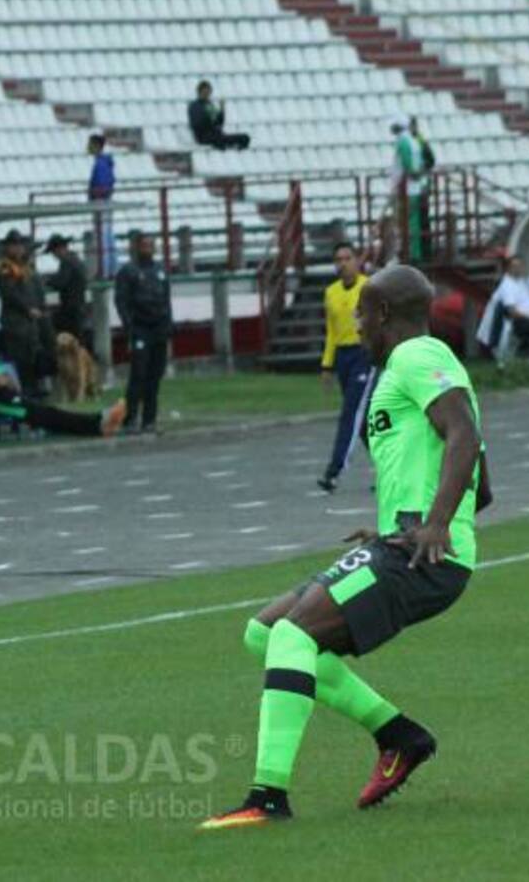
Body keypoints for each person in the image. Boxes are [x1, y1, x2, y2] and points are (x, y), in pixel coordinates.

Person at [201, 265, 490, 830]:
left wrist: (434, 528)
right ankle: (399, 735)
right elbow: (480, 477)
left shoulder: (416, 357)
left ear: (382, 314)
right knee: (264, 632)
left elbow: (466, 435)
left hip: (423, 557)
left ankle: (267, 798)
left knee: (292, 634)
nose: (354, 323)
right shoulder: (405, 368)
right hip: (406, 546)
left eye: (360, 312)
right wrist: (404, 522)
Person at [0, 331, 125, 438]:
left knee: (50, 414)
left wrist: (0, 378)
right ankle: (98, 423)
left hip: (11, 398)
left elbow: (8, 381)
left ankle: (98, 423)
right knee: (48, 416)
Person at [317, 243, 372, 493]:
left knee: (351, 412)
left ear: (357, 260)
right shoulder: (331, 292)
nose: (343, 263)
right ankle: (391, 467)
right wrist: (327, 365)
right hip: (343, 357)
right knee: (362, 423)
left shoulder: (369, 287)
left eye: (347, 258)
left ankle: (334, 470)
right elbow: (331, 332)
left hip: (364, 354)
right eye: (338, 259)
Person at [115, 232, 172, 434]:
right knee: (138, 374)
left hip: (159, 329)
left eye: (150, 245)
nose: (148, 249)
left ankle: (150, 419)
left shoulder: (160, 271)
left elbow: (166, 299)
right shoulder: (128, 271)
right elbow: (121, 301)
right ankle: (129, 419)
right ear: (136, 248)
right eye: (144, 245)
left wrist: (168, 325)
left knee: (155, 375)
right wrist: (129, 326)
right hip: (140, 329)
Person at [0, 229, 53, 393]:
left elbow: (37, 291)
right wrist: (28, 308)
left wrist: (41, 309)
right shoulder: (6, 269)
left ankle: (35, 390)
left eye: (20, 245)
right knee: (21, 362)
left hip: (31, 325)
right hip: (16, 324)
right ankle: (26, 393)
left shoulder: (26, 267)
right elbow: (9, 293)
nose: (18, 249)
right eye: (14, 245)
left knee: (33, 360)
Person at [389, 116, 426, 262]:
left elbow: (407, 163)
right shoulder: (414, 141)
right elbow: (421, 162)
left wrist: (411, 173)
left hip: (404, 188)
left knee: (404, 222)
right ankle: (415, 253)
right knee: (413, 222)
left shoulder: (402, 141)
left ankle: (407, 252)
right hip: (414, 188)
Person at [44, 234, 90, 346]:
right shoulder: (76, 259)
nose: (54, 255)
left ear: (59, 249)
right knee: (78, 339)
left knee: (51, 328)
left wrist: (47, 281)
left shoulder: (66, 262)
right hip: (79, 305)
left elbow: (61, 282)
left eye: (53, 252)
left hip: (71, 308)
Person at [188, 80, 250, 151]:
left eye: (208, 92)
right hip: (204, 137)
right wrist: (209, 118)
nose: (207, 95)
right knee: (220, 140)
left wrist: (222, 110)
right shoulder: (195, 106)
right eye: (205, 92)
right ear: (199, 92)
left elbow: (219, 122)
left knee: (245, 138)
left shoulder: (209, 105)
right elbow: (198, 124)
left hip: (216, 135)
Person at [86, 134, 117, 278]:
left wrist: (94, 194)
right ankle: (109, 269)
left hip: (101, 202)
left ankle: (104, 270)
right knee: (107, 235)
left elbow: (102, 186)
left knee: (102, 236)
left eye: (90, 144)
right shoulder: (104, 162)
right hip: (105, 201)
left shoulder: (100, 164)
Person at [410, 117, 436, 258]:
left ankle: (426, 251)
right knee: (416, 219)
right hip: (414, 186)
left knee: (423, 218)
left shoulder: (420, 141)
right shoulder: (410, 142)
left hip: (422, 185)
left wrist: (420, 171)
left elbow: (431, 160)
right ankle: (420, 251)